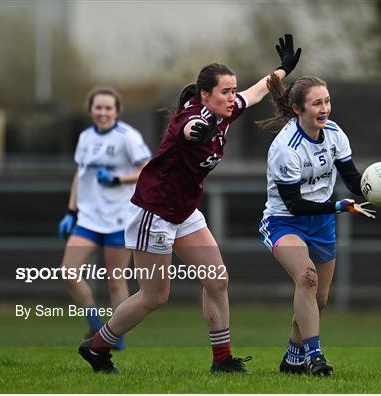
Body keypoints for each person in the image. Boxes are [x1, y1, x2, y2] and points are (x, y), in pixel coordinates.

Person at [78, 34, 302, 374]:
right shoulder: (194, 117)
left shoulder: (225, 111)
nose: (232, 97)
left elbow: (255, 93)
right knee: (154, 296)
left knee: (217, 279)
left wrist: (282, 70)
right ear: (204, 95)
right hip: (155, 213)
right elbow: (189, 128)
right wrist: (199, 130)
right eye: (225, 91)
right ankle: (97, 346)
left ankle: (222, 359)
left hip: (183, 213)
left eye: (232, 90)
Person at [256, 73, 381, 376]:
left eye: (326, 101)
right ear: (298, 109)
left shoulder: (335, 133)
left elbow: (352, 179)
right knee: (307, 279)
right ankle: (315, 357)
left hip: (322, 221)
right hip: (286, 221)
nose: (324, 108)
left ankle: (293, 357)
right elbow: (295, 204)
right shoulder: (286, 148)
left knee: (319, 298)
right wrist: (338, 207)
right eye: (316, 104)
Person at [58, 87, 152, 350]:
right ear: (91, 110)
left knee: (115, 280)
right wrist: (71, 211)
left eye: (108, 108)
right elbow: (80, 174)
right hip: (88, 220)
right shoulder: (86, 137)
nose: (103, 112)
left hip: (119, 220)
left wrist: (117, 179)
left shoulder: (127, 137)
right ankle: (96, 324)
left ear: (116, 111)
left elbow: (147, 169)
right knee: (68, 272)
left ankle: (116, 335)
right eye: (98, 108)